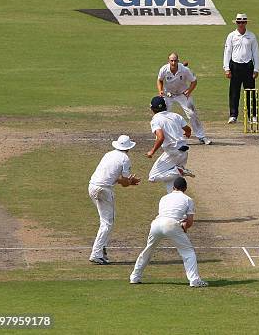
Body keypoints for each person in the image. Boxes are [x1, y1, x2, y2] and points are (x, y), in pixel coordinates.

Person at [130, 177, 208, 287]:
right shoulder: (188, 199)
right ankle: (194, 280)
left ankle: (134, 277)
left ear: (173, 188)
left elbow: (167, 213)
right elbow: (189, 221)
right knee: (188, 252)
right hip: (171, 225)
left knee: (148, 250)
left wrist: (181, 225)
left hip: (156, 224)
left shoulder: (164, 198)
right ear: (185, 188)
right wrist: (184, 227)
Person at [88, 135, 140, 265]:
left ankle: (102, 246)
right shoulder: (125, 159)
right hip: (104, 190)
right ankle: (96, 253)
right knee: (107, 222)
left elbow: (114, 178)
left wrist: (126, 181)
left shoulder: (108, 154)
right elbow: (124, 183)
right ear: (128, 148)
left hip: (92, 186)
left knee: (108, 218)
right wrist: (131, 182)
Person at [157, 52, 211, 145]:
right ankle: (161, 137)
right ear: (168, 61)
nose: (173, 63)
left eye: (175, 61)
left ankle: (201, 136)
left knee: (192, 113)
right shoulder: (164, 69)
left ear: (178, 61)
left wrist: (189, 91)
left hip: (183, 94)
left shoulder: (185, 70)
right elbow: (160, 80)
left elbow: (194, 81)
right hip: (168, 94)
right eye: (171, 61)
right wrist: (160, 91)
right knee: (163, 115)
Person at [147, 96, 196, 194]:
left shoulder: (155, 120)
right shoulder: (175, 115)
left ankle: (178, 170)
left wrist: (152, 151)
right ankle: (175, 199)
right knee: (171, 183)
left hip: (173, 153)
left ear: (152, 109)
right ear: (165, 106)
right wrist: (187, 134)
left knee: (152, 177)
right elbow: (188, 129)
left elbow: (160, 138)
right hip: (183, 151)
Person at [223, 13, 259, 124]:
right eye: (239, 22)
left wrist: (256, 69)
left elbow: (256, 53)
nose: (241, 24)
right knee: (234, 91)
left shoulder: (251, 36)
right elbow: (227, 52)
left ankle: (252, 116)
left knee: (250, 91)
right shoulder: (231, 36)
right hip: (235, 66)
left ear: (246, 23)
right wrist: (226, 68)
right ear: (236, 23)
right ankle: (233, 115)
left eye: (243, 22)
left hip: (248, 66)